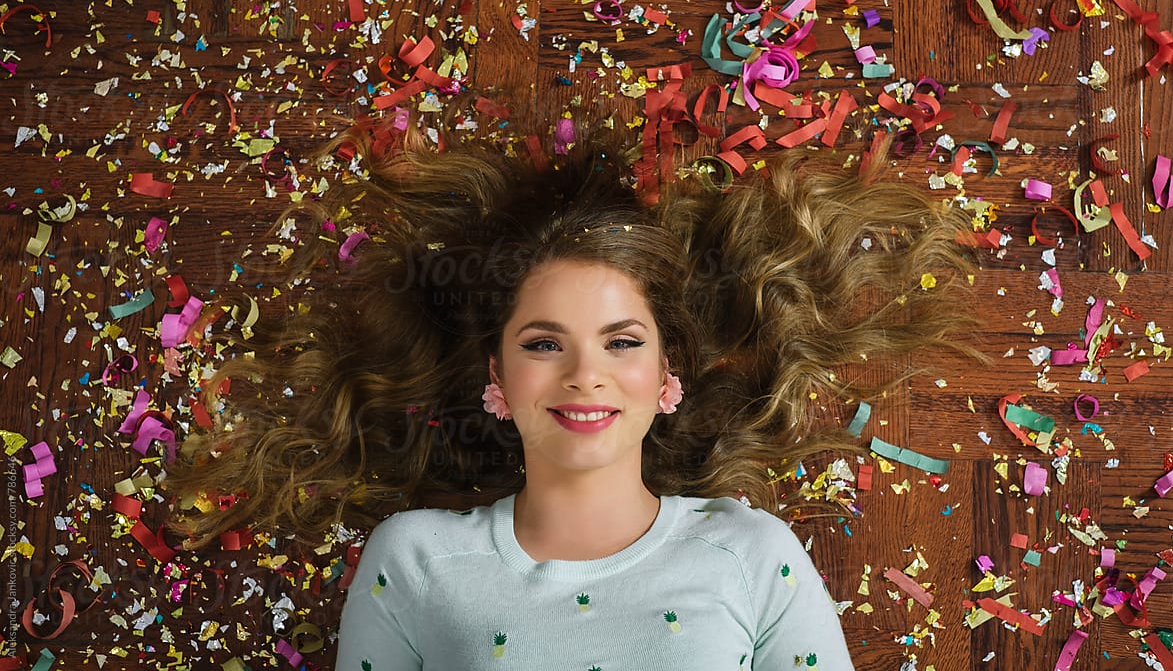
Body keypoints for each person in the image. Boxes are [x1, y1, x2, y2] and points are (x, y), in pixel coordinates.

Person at [166, 115, 978, 669]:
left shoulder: (752, 555)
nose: (584, 374)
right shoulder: (414, 561)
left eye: (621, 343)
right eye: (544, 344)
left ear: (667, 377)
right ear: (498, 376)